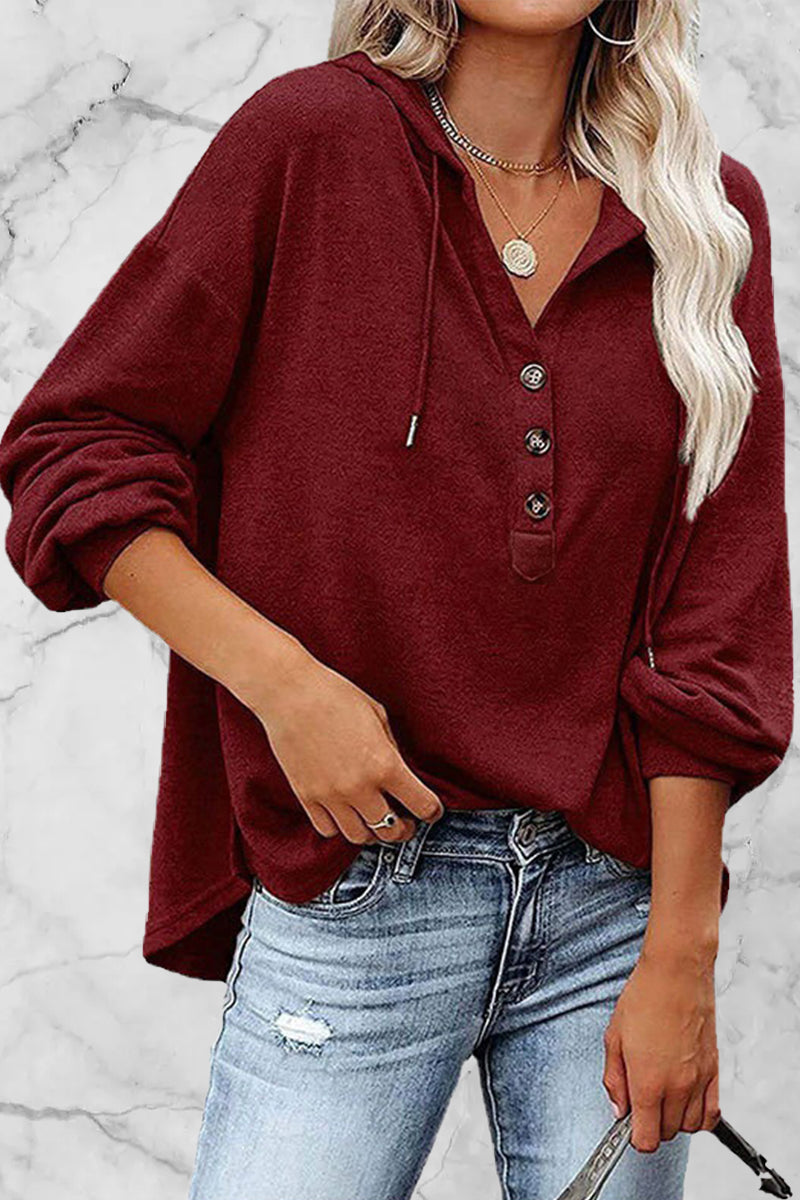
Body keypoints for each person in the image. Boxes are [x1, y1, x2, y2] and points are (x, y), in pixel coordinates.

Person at [0, 2, 792, 1198]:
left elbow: (715, 610)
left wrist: (680, 951)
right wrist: (285, 687)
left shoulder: (703, 214)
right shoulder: (310, 144)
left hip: (613, 908)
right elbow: (78, 444)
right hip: (358, 886)